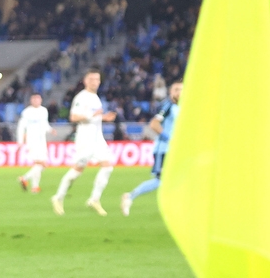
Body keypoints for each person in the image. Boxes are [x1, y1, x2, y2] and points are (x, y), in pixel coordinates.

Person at [51, 67, 116, 216]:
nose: (95, 82)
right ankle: (58, 197)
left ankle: (94, 199)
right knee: (77, 170)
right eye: (92, 79)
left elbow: (94, 118)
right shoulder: (81, 97)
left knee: (108, 166)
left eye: (97, 79)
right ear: (86, 81)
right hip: (85, 139)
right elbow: (73, 117)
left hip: (97, 138)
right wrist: (93, 115)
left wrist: (103, 118)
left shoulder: (96, 98)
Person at [121, 79, 182, 216]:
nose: (180, 92)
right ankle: (130, 196)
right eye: (176, 89)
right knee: (159, 181)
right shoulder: (168, 106)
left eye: (182, 89)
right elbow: (154, 124)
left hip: (176, 150)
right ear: (170, 92)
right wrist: (171, 139)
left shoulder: (183, 107)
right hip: (164, 149)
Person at [16, 92, 54, 193]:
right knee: (42, 164)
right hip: (32, 141)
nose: (36, 101)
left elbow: (45, 124)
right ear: (31, 100)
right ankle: (26, 179)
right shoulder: (27, 112)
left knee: (40, 165)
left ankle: (34, 186)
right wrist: (20, 141)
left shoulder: (44, 111)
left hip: (42, 141)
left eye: (38, 99)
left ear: (41, 100)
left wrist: (50, 130)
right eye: (34, 99)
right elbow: (21, 127)